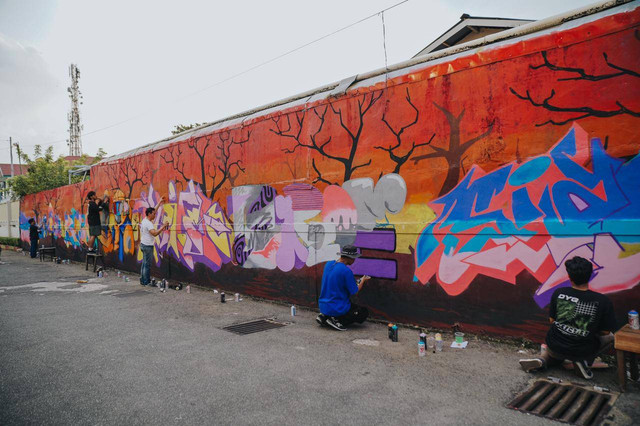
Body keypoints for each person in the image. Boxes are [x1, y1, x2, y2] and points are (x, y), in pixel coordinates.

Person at [519, 256, 618, 379]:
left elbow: (552, 320)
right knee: (611, 337)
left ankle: (542, 360)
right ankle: (583, 362)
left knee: (554, 350)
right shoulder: (603, 301)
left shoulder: (559, 292)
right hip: (581, 348)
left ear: (570, 277)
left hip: (555, 343)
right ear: (590, 276)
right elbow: (605, 332)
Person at [316, 245, 371, 331]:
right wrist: (363, 280)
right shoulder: (346, 271)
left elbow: (338, 282)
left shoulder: (329, 264)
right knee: (363, 313)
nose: (354, 260)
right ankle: (336, 320)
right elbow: (355, 291)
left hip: (323, 305)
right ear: (350, 258)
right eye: (354, 258)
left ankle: (324, 316)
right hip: (337, 307)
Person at [139, 200, 168, 287]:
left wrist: (159, 202)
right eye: (153, 214)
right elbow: (154, 233)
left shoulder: (145, 220)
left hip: (143, 244)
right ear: (149, 214)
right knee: (147, 265)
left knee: (144, 263)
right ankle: (146, 282)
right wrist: (163, 226)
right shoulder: (148, 224)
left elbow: (154, 209)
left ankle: (143, 280)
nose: (155, 215)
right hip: (148, 246)